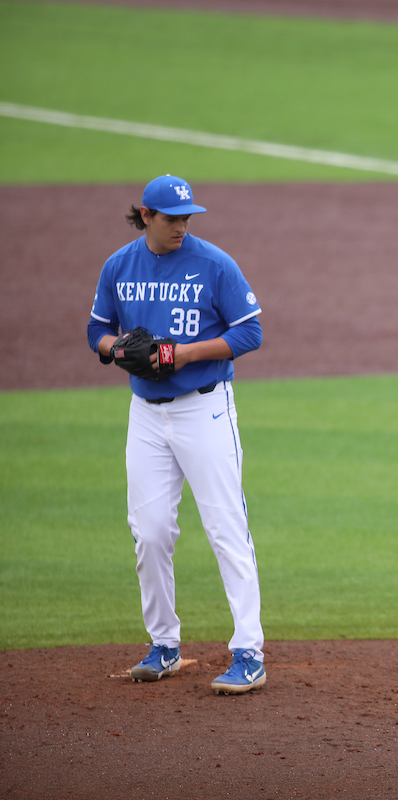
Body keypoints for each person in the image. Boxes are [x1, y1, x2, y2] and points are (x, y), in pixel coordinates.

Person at [87, 175, 267, 694]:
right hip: (145, 414)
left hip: (204, 411)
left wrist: (185, 352)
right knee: (150, 532)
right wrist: (116, 349)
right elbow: (96, 331)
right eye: (171, 218)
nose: (181, 226)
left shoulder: (214, 264)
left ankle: (248, 652)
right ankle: (164, 644)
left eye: (187, 217)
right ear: (146, 215)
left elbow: (250, 332)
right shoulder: (119, 266)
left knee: (225, 528)